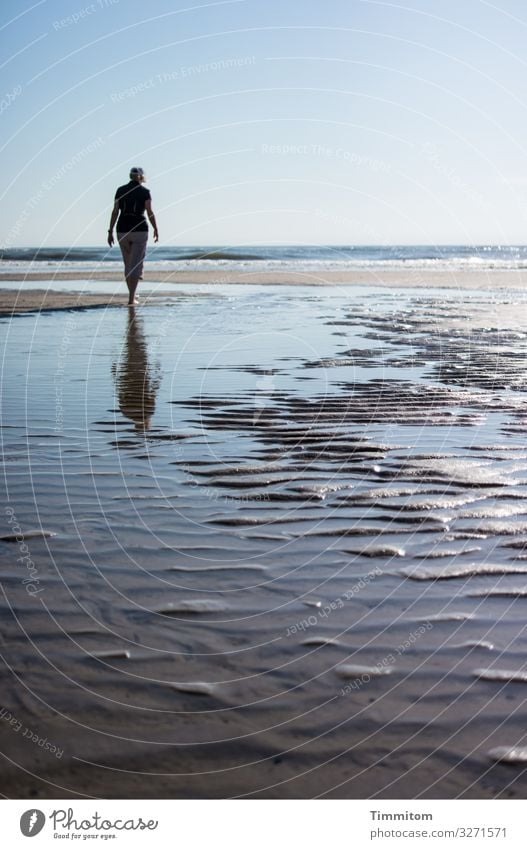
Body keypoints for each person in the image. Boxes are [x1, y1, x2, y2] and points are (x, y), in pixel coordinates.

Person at [107, 167, 159, 306]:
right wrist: (155, 228)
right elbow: (149, 212)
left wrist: (110, 231)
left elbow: (115, 212)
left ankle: (133, 294)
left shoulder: (120, 190)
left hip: (122, 229)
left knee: (128, 264)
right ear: (141, 177)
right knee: (136, 264)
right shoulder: (145, 192)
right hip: (139, 229)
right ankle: (131, 298)